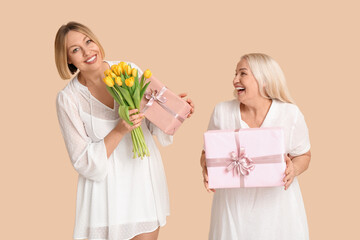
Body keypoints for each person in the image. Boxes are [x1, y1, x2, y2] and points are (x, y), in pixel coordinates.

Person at [54, 21, 194, 240]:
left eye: (88, 41)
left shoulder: (128, 71)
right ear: (68, 60)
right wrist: (119, 130)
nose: (87, 51)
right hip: (104, 197)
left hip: (142, 183)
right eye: (75, 49)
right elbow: (81, 160)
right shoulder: (68, 99)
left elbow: (153, 125)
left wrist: (175, 112)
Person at [200, 53, 311, 240]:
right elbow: (206, 153)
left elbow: (304, 155)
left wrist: (294, 169)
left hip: (278, 210)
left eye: (242, 73)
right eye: (235, 74)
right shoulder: (222, 111)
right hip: (232, 209)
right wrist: (206, 168)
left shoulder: (290, 114)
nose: (235, 80)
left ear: (264, 79)